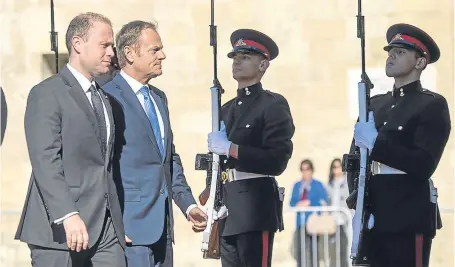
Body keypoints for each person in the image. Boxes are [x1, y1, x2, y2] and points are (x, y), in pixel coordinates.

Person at [15, 12, 126, 267]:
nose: (112, 52)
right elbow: (45, 161)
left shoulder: (105, 99)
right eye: (104, 45)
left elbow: (106, 164)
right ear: (78, 44)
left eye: (112, 46)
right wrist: (68, 214)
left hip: (106, 231)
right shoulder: (46, 93)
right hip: (59, 231)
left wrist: (117, 224)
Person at [103, 20, 207, 267]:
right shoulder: (107, 95)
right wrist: (111, 224)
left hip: (163, 230)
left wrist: (188, 204)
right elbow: (101, 165)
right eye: (154, 50)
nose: (163, 55)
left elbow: (168, 159)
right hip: (129, 231)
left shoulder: (159, 98)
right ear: (129, 53)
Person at [351, 23, 451, 267]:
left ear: (420, 63)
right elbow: (353, 159)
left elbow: (423, 164)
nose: (391, 55)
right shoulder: (375, 104)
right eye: (390, 51)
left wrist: (376, 143)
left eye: (401, 51)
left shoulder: (431, 105)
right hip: (371, 215)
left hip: (407, 216)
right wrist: (356, 197)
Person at [207, 28, 295, 267]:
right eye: (235, 57)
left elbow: (277, 160)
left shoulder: (272, 105)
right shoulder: (225, 109)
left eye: (245, 57)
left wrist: (231, 148)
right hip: (228, 208)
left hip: (255, 209)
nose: (237, 61)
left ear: (263, 65)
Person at [289, 159, 328, 267]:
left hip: (313, 222)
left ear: (311, 170)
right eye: (303, 169)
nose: (305, 172)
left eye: (307, 169)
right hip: (300, 222)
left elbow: (324, 200)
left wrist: (310, 202)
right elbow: (292, 202)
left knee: (313, 250)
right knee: (300, 251)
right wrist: (299, 204)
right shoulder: (297, 185)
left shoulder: (318, 185)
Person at [325, 158, 349, 267]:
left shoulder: (347, 182)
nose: (336, 169)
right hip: (332, 221)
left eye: (338, 166)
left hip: (344, 220)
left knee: (344, 250)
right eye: (334, 167)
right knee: (333, 251)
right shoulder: (329, 184)